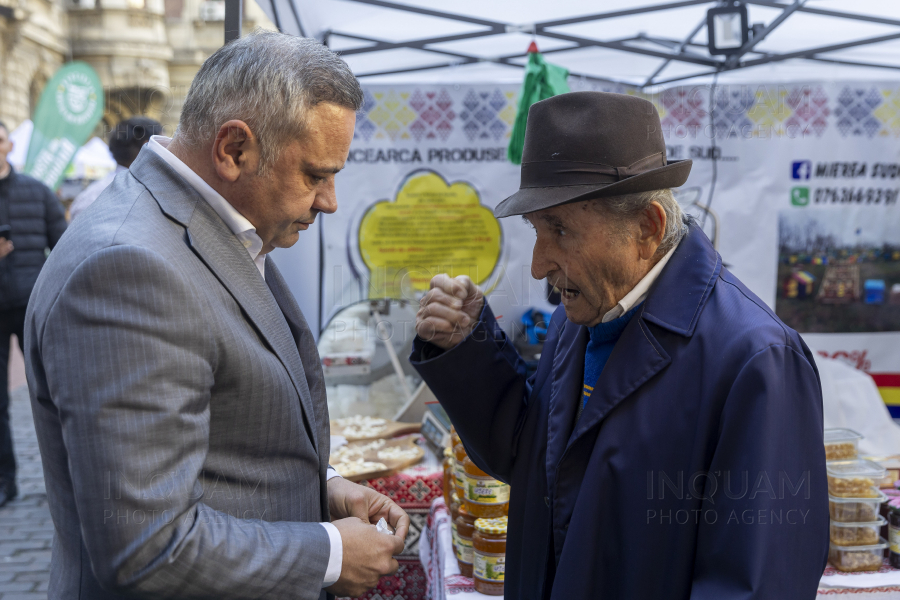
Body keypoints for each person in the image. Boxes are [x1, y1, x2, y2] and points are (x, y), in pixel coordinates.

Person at [25, 32, 407, 599]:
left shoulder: (206, 228)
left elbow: (227, 434)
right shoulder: (129, 267)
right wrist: (330, 554)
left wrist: (319, 487)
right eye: (315, 175)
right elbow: (150, 546)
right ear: (233, 150)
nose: (329, 201)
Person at [412, 92, 829, 599]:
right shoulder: (584, 313)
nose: (539, 265)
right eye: (537, 230)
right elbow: (536, 459)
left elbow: (757, 584)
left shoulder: (756, 359)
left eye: (561, 230)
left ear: (646, 227)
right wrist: (470, 346)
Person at [0, 119, 67, 509]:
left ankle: (66, 477)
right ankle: (5, 481)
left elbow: (65, 247)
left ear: (9, 145)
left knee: (51, 394)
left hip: (32, 306)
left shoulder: (38, 193)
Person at [68, 116, 163, 220]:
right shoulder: (148, 197)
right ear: (147, 147)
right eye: (163, 144)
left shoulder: (91, 194)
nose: (166, 152)